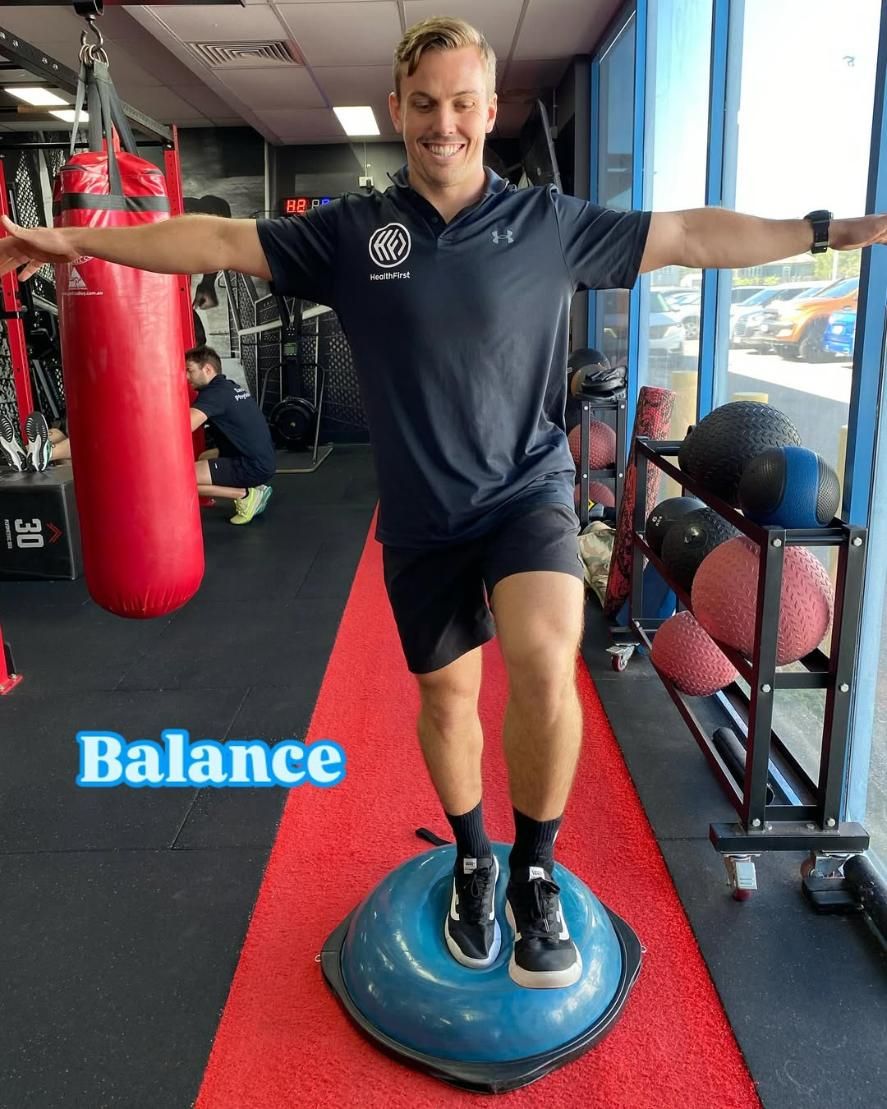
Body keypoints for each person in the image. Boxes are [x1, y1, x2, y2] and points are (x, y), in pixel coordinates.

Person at [0, 16, 885, 988]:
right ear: (398, 109)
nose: (444, 122)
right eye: (424, 104)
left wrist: (820, 233)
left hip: (527, 490)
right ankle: (473, 857)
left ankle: (533, 868)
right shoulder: (350, 233)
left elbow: (687, 234)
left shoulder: (549, 223)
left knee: (543, 660)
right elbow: (212, 236)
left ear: (489, 108)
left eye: (462, 103)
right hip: (423, 512)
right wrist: (67, 238)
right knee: (447, 696)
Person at [3, 348, 275, 525]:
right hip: (254, 457)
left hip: (251, 465)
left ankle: (245, 493)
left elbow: (183, 426)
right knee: (201, 457)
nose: (186, 378)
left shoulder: (215, 393)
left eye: (190, 371)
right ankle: (41, 451)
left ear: (208, 369)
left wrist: (140, 428)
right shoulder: (228, 387)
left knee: (172, 480)